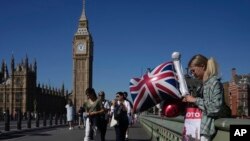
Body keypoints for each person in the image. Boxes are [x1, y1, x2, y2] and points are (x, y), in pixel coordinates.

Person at [182, 54, 224, 141]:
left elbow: (215, 108)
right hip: (194, 128)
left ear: (202, 66)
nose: (192, 74)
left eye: (193, 71)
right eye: (191, 72)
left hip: (204, 131)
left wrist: (194, 100)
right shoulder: (201, 85)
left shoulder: (214, 83)